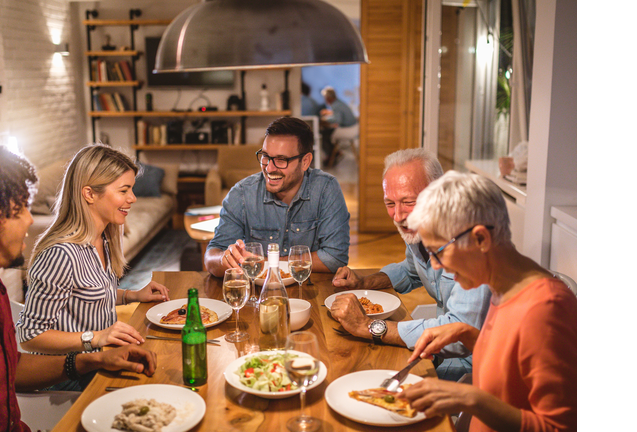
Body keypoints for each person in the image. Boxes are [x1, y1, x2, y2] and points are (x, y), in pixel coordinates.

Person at [0, 143, 157, 431]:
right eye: (20, 208)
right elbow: (31, 336)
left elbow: (12, 369)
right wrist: (94, 341)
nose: (29, 219)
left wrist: (95, 359)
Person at [398, 171, 576, 431]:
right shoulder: (501, 287)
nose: (435, 265)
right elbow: (512, 378)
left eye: (438, 252)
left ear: (481, 238)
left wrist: (469, 399)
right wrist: (469, 335)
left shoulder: (546, 309)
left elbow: (558, 427)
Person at [16, 144, 170, 390]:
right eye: (124, 190)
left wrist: (132, 294)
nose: (133, 198)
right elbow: (30, 336)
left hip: (100, 358)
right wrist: (95, 338)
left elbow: (89, 295)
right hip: (68, 378)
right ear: (89, 194)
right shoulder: (61, 254)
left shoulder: (103, 237)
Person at [330, 148, 491, 382]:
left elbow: (458, 336)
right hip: (438, 354)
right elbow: (410, 270)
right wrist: (365, 282)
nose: (397, 216)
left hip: (478, 370)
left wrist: (370, 327)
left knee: (360, 375)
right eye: (390, 203)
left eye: (408, 202)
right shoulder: (423, 230)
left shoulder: (470, 244)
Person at [204, 116, 350, 277]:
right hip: (257, 295)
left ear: (305, 161)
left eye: (281, 160)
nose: (269, 168)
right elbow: (211, 256)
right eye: (265, 156)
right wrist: (223, 259)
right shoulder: (242, 193)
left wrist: (269, 263)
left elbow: (335, 258)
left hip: (311, 291)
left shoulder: (326, 189)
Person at [319, 85, 357, 161]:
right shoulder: (338, 102)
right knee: (327, 132)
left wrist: (324, 120)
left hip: (348, 129)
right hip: (353, 127)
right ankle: (336, 153)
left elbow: (337, 120)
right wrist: (330, 113)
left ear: (328, 98)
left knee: (324, 134)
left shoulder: (335, 105)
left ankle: (333, 156)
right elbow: (339, 115)